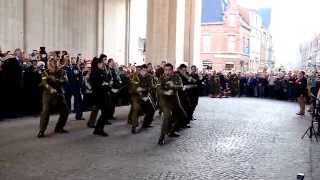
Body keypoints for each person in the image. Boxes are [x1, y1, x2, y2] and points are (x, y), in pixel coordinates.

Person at [38, 56, 69, 138]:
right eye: (51, 61)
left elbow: (65, 81)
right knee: (45, 111)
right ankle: (41, 131)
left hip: (59, 93)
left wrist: (56, 80)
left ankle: (59, 128)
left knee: (65, 111)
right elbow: (44, 83)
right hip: (48, 94)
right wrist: (50, 88)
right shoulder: (45, 72)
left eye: (55, 61)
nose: (54, 63)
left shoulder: (62, 71)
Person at [158, 63, 183, 145]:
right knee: (167, 116)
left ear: (172, 70)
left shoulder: (176, 76)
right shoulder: (161, 78)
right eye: (166, 70)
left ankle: (171, 131)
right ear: (164, 70)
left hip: (174, 99)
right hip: (164, 100)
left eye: (169, 70)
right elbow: (158, 90)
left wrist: (174, 85)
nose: (167, 72)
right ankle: (161, 137)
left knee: (181, 115)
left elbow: (181, 86)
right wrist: (166, 92)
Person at [129, 64, 155, 134]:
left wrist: (143, 89)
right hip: (136, 96)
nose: (145, 72)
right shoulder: (134, 76)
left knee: (152, 109)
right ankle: (134, 126)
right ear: (140, 70)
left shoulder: (149, 76)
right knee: (136, 108)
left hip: (145, 95)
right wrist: (137, 90)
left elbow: (151, 87)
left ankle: (146, 124)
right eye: (143, 70)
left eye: (146, 71)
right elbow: (131, 88)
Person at [89, 57, 110, 136]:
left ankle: (98, 128)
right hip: (98, 96)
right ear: (98, 64)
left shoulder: (101, 71)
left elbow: (105, 81)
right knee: (105, 113)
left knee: (106, 112)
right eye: (101, 63)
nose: (103, 64)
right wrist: (104, 84)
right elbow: (97, 85)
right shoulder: (94, 73)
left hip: (103, 94)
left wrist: (105, 84)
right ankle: (99, 129)